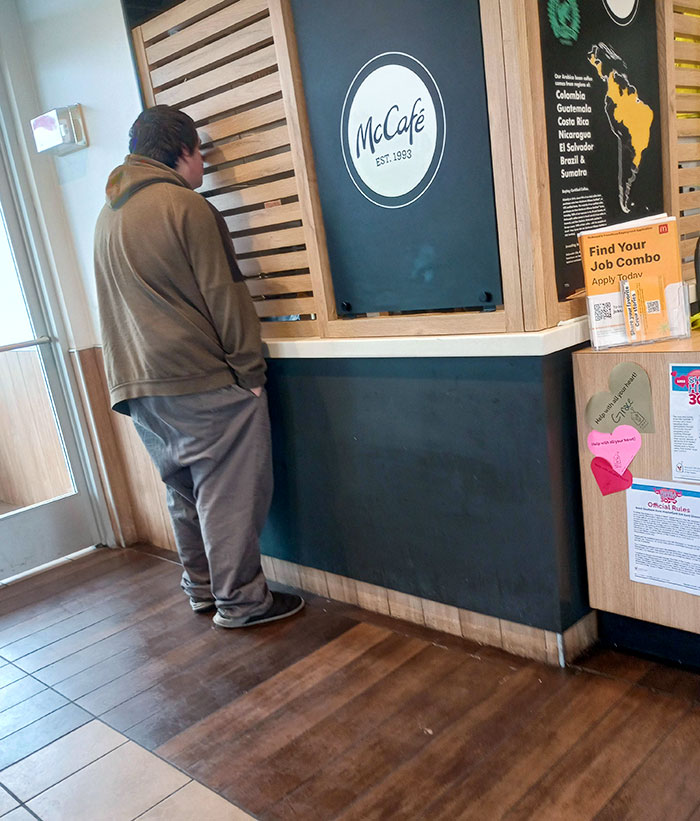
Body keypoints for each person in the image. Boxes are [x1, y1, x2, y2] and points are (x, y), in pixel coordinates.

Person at [93, 105, 304, 628]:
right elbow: (225, 294)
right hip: (199, 376)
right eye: (201, 154)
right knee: (228, 492)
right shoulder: (186, 206)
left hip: (136, 384)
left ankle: (203, 588)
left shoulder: (107, 216)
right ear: (184, 150)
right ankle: (242, 602)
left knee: (185, 489)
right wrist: (249, 373)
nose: (204, 166)